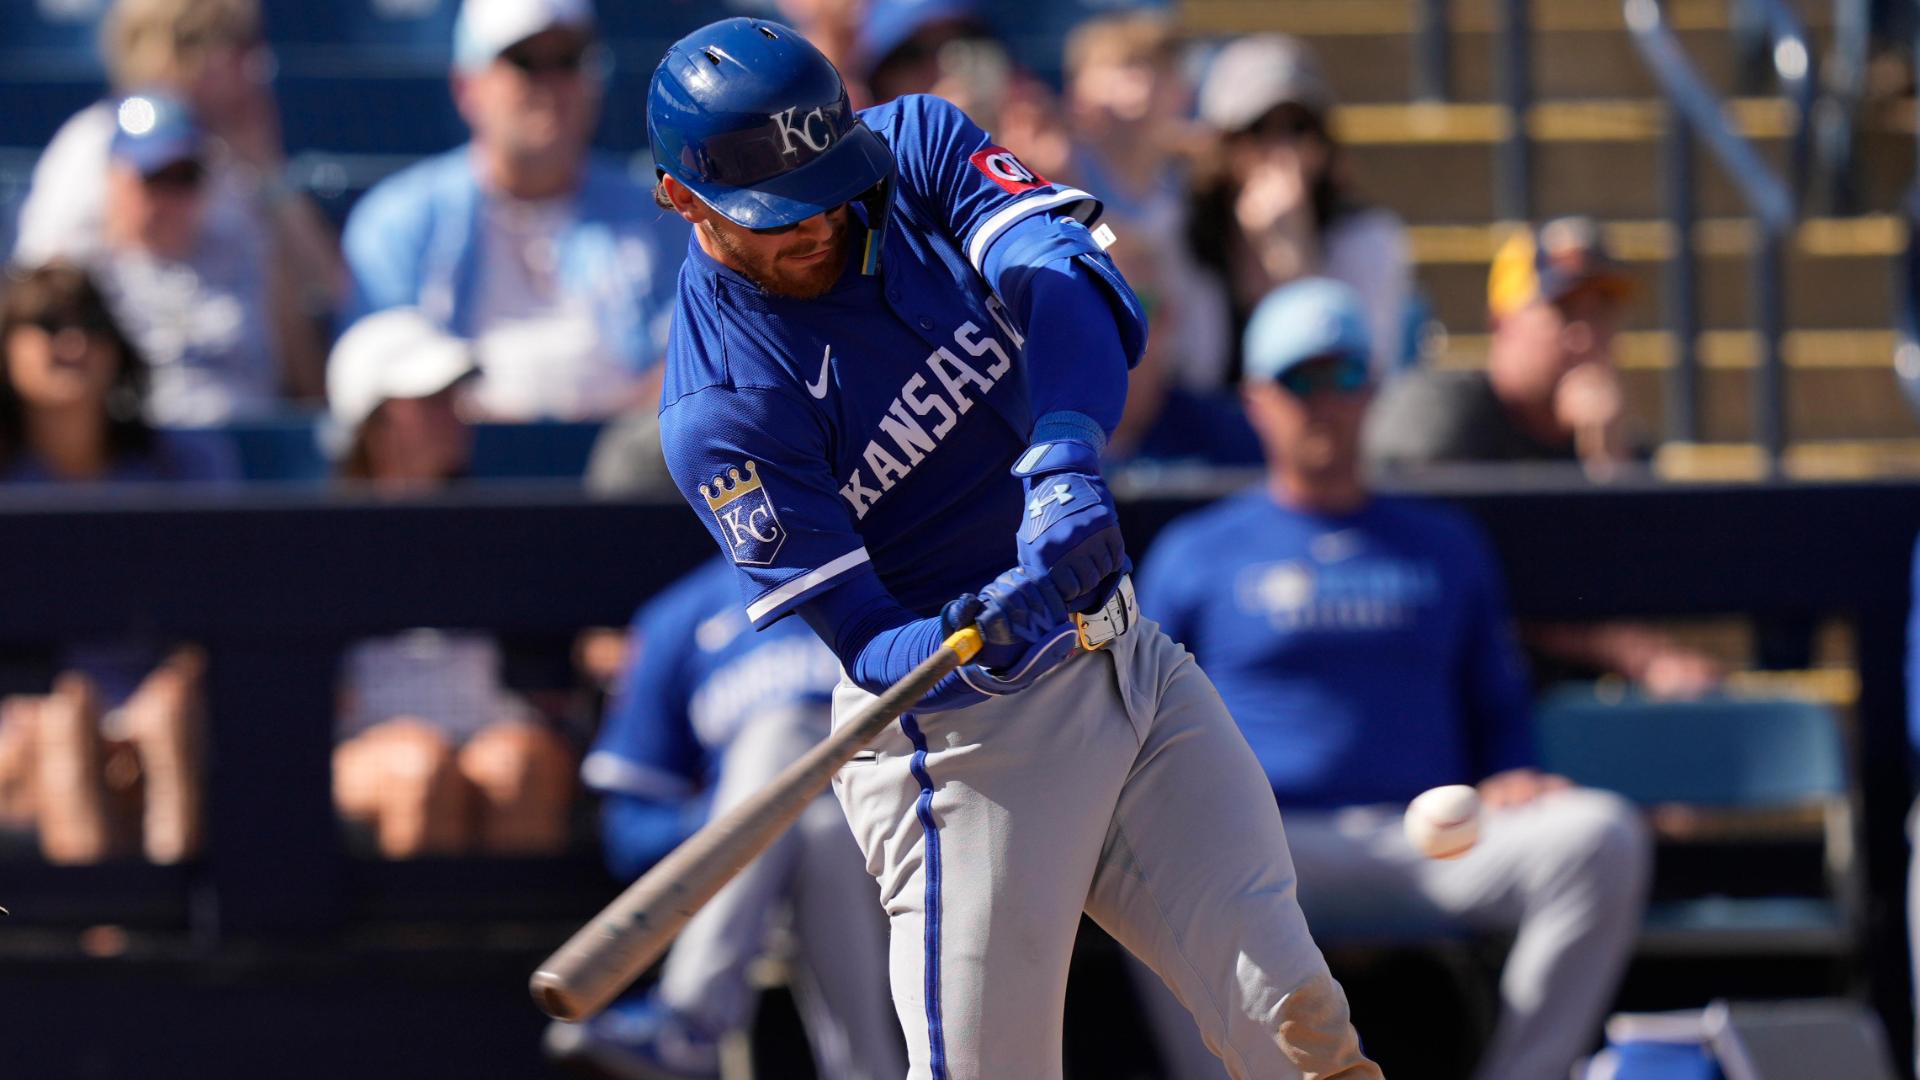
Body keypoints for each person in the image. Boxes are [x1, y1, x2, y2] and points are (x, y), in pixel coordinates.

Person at [647, 19, 1379, 1079]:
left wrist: (1067, 452)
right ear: (684, 198)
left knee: (1297, 1026)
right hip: (957, 747)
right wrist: (966, 631)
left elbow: (1064, 275)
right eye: (778, 211)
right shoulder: (720, 404)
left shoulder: (915, 145)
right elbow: (865, 640)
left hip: (1124, 664)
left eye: (826, 183)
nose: (816, 220)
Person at [1137, 277, 1653, 1080]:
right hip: (1263, 845)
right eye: (1300, 379)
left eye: (1344, 377)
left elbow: (1496, 696)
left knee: (1600, 836)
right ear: (1257, 399)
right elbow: (1142, 716)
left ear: (1373, 390)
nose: (1325, 402)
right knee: (1145, 855)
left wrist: (1512, 768)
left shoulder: (1444, 543)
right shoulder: (1195, 552)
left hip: (1433, 840)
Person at [545, 557, 904, 1080]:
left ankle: (689, 1023)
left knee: (786, 734)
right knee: (818, 825)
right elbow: (627, 830)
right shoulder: (678, 616)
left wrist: (749, 827)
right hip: (775, 872)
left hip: (897, 837)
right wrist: (748, 824)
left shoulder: (896, 567)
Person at [1365, 218, 1725, 697]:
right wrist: (1616, 648)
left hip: (1562, 713)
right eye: (1564, 309)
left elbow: (1648, 596)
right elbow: (1435, 584)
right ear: (1502, 323)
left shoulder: (1620, 444)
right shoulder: (1438, 414)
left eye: (1603, 311)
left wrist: (1609, 468)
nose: (1585, 335)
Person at [341, 0, 688, 422]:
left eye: (567, 60)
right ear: (467, 87)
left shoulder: (658, 212)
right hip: (455, 477)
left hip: (627, 473)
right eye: (525, 62)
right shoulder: (396, 221)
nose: (551, 84)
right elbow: (379, 390)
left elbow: (692, 362)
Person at [0, 262, 239, 865]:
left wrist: (176, 683)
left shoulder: (185, 464)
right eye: (48, 325)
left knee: (168, 713)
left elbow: (230, 599)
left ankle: (184, 938)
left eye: (93, 326)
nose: (74, 344)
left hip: (169, 723)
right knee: (64, 713)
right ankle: (109, 947)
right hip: (22, 731)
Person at [327, 308, 575, 856]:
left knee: (520, 766)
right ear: (373, 422)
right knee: (420, 767)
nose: (452, 416)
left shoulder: (495, 532)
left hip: (488, 727)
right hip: (365, 745)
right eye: (429, 401)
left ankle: (525, 944)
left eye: (453, 399)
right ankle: (419, 943)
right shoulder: (320, 543)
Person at [13, 0, 340, 409]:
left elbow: (329, 290)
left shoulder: (239, 154)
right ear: (186, 51)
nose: (257, 64)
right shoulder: (92, 147)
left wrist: (268, 172)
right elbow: (46, 299)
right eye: (239, 47)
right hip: (136, 423)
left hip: (243, 411)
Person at [1057, 11, 1241, 462]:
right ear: (1077, 93)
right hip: (1087, 404)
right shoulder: (1051, 175)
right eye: (1122, 66)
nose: (1142, 83)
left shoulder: (1200, 186)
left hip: (1188, 398)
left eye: (1158, 68)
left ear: (1181, 92)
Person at [1191, 34, 1412, 381]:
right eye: (1259, 129)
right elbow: (1190, 371)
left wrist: (1293, 250)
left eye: (1298, 129)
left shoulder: (1368, 236)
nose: (1281, 150)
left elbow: (1352, 373)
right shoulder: (1185, 232)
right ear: (1224, 144)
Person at [88, 93, 285, 426]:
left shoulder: (247, 254)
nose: (170, 198)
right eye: (154, 178)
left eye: (185, 178)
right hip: (144, 463)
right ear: (116, 180)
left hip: (253, 459)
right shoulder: (86, 276)